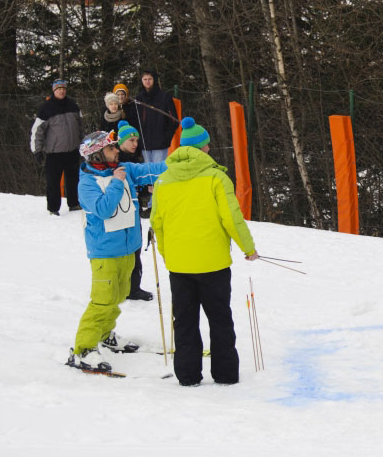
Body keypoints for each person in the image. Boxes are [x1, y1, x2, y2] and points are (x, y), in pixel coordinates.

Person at [150, 117, 258, 386]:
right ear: (202, 147)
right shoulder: (216, 177)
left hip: (179, 265)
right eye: (207, 145)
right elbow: (232, 217)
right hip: (213, 264)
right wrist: (249, 248)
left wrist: (167, 254)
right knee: (220, 319)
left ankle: (187, 376)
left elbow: (157, 223)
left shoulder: (163, 181)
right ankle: (225, 374)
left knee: (184, 321)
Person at [66, 130, 167, 373]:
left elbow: (151, 170)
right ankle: (83, 349)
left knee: (119, 295)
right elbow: (103, 210)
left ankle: (105, 334)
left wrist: (184, 158)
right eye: (111, 148)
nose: (117, 150)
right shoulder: (87, 183)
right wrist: (116, 183)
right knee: (102, 301)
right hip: (104, 253)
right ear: (98, 154)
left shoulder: (123, 168)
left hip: (127, 248)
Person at [31, 79, 83, 215]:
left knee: (73, 179)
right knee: (53, 182)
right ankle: (53, 208)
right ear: (54, 90)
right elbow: (37, 131)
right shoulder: (46, 108)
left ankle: (74, 203)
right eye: (59, 89)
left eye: (64, 88)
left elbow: (80, 125)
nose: (62, 91)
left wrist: (83, 144)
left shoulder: (73, 105)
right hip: (54, 152)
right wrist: (37, 150)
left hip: (72, 150)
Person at [117, 121, 154, 302]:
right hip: (120, 213)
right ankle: (122, 286)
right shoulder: (116, 160)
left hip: (134, 211)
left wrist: (148, 189)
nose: (135, 143)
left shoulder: (136, 158)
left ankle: (134, 287)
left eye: (136, 140)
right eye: (131, 140)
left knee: (136, 248)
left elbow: (139, 186)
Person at [134, 69, 178, 164]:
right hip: (145, 143)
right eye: (145, 79)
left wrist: (166, 138)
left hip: (160, 142)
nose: (147, 81)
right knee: (148, 171)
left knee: (158, 172)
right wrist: (139, 139)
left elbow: (173, 120)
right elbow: (136, 120)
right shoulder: (139, 98)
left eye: (150, 79)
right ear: (142, 81)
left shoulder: (164, 97)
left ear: (154, 80)